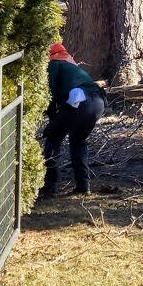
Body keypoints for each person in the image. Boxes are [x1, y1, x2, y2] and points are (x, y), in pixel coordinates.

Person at [41, 42, 105, 197]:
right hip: (98, 102)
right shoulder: (72, 65)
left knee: (52, 136)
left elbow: (48, 92)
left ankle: (50, 186)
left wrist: (51, 118)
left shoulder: (54, 64)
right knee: (78, 141)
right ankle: (84, 186)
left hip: (79, 102)